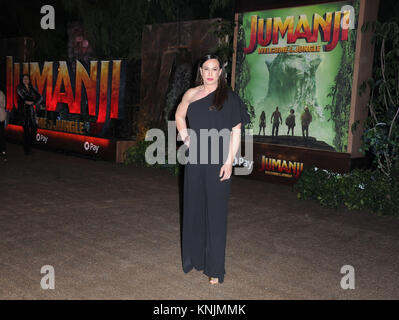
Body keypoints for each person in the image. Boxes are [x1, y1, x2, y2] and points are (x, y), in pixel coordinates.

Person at [175, 54, 250, 285]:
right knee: (194, 209)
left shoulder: (229, 97)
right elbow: (178, 114)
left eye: (214, 69)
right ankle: (195, 259)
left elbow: (236, 131)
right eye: (206, 68)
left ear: (220, 72)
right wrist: (185, 135)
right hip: (195, 159)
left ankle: (215, 270)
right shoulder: (191, 94)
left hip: (218, 160)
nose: (209, 73)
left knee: (216, 215)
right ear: (201, 71)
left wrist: (230, 162)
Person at [16, 74, 43, 155]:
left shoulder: (32, 88)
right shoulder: (20, 88)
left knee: (34, 128)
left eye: (27, 78)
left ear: (29, 80)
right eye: (24, 78)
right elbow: (24, 97)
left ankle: (30, 146)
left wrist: (34, 102)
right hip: (24, 112)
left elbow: (40, 97)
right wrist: (30, 100)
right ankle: (27, 149)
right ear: (22, 80)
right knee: (26, 131)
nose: (25, 80)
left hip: (32, 112)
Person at [0, 89, 7, 161]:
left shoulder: (1, 93)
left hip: (0, 117)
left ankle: (3, 151)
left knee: (1, 135)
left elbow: (3, 104)